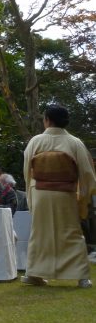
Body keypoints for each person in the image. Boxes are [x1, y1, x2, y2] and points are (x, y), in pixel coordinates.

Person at [22, 104, 96, 288]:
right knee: (71, 232)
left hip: (40, 193)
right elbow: (87, 174)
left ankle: (34, 274)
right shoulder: (75, 142)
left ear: (47, 120)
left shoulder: (35, 141)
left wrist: (32, 195)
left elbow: (27, 172)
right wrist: (83, 197)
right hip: (66, 194)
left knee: (40, 234)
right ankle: (81, 277)